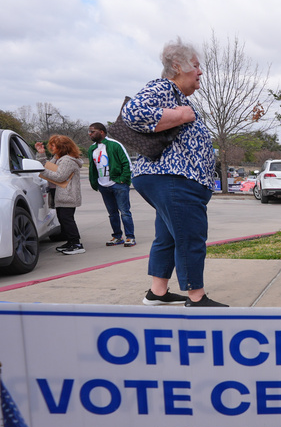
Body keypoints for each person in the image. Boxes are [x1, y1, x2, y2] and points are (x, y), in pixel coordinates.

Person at [123, 37, 226, 308]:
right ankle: (196, 296)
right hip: (172, 177)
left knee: (168, 235)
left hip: (173, 178)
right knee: (191, 236)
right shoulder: (164, 87)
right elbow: (133, 113)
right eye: (196, 65)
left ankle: (157, 293)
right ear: (177, 66)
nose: (200, 72)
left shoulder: (176, 95)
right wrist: (182, 115)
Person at [86, 122, 135, 247]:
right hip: (103, 185)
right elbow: (93, 168)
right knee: (112, 213)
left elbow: (127, 163)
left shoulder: (115, 145)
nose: (90, 134)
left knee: (124, 212)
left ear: (101, 132)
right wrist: (95, 183)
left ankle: (130, 237)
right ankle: (117, 236)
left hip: (118, 184)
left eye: (92, 131)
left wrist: (122, 179)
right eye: (89, 132)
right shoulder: (92, 148)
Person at [37, 135, 85, 255]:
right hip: (61, 194)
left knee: (67, 219)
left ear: (62, 147)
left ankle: (76, 244)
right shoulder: (59, 158)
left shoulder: (67, 160)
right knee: (63, 219)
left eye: (54, 146)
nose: (51, 148)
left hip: (67, 195)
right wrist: (41, 154)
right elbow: (47, 167)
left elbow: (59, 176)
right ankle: (70, 242)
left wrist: (41, 170)